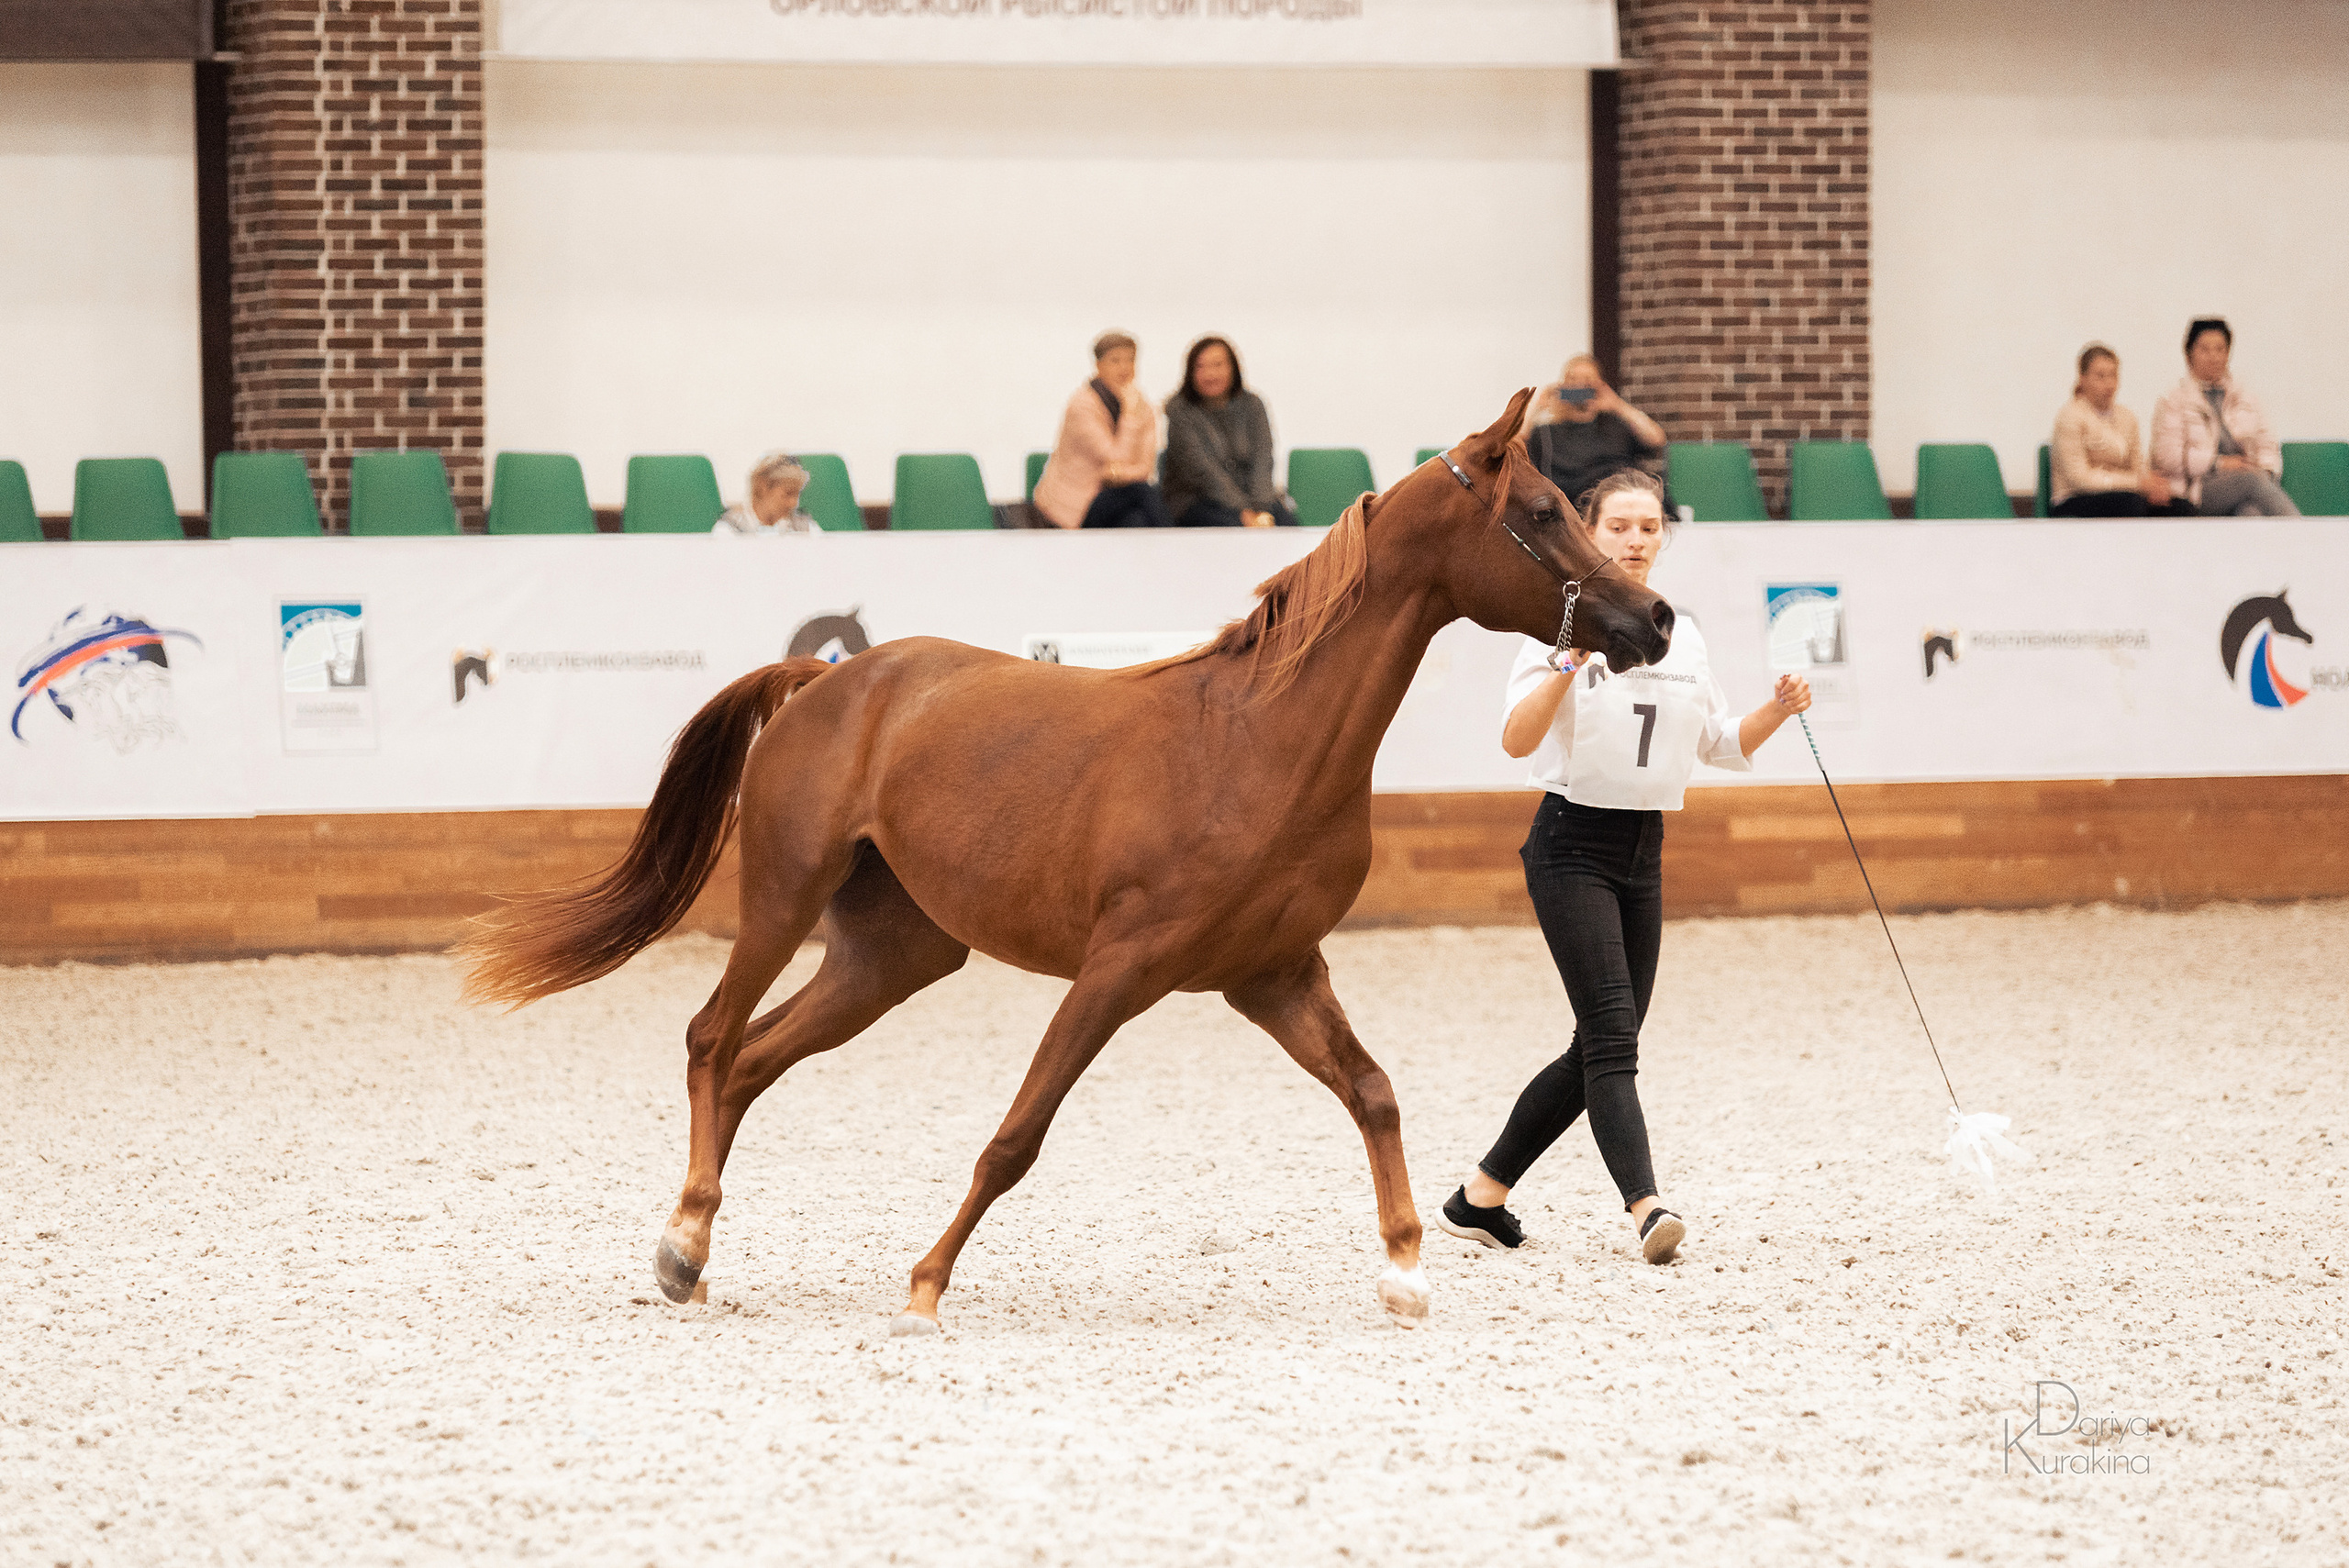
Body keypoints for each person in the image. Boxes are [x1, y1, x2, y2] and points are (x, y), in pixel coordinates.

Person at [1438, 469, 1812, 1269]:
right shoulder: (1552, 626)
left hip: (1645, 849)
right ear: (1590, 531)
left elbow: (1719, 742)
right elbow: (1515, 739)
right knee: (1614, 1040)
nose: (1636, 540)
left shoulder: (1684, 631)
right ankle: (1647, 1207)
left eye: (1648, 527)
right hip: (1570, 843)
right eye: (1619, 527)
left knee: (1600, 1044)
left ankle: (1480, 1196)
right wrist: (1566, 665)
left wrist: (1777, 710)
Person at [2150, 318, 2299, 517]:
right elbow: (2167, 456)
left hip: (2247, 483)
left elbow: (2267, 445)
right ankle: (2305, 534)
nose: (2213, 356)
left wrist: (2265, 472)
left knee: (2250, 512)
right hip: (2196, 490)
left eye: (2220, 349)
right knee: (2250, 481)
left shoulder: (2245, 397)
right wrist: (2219, 463)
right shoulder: (2174, 400)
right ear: (2189, 355)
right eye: (2205, 349)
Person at [1034, 332, 1167, 530]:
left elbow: (1145, 467)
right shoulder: (1082, 405)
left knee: (1137, 522)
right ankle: (1174, 544)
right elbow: (1115, 455)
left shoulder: (1143, 407)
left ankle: (1168, 547)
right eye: (1115, 361)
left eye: (1130, 360)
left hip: (1121, 498)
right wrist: (1129, 415)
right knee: (1142, 492)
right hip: (1078, 505)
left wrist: (1116, 475)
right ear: (1098, 365)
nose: (1124, 368)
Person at [1161, 336, 1296, 528]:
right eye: (1200, 367)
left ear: (1233, 368)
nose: (1210, 374)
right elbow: (1203, 472)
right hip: (1198, 501)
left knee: (1286, 523)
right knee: (1233, 527)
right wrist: (1243, 510)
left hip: (1253, 498)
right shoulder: (1179, 410)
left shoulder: (1253, 405)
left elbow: (1263, 459)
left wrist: (1260, 506)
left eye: (1217, 365)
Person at [2050, 344, 2191, 517]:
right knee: (2131, 504)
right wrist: (2137, 483)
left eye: (2113, 375)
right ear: (2083, 378)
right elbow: (2080, 479)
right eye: (2100, 376)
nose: (2109, 384)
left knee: (2181, 507)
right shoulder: (2070, 416)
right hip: (2075, 498)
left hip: (2123, 494)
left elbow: (2138, 466)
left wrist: (2153, 486)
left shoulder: (2126, 417)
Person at [1526, 355, 1668, 510]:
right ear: (1562, 386)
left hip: (1619, 503)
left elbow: (1656, 440)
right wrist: (1536, 407)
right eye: (1573, 380)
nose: (1580, 385)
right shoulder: (1546, 434)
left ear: (1600, 385)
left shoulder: (1615, 425)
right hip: (1571, 508)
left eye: (1587, 380)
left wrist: (1618, 405)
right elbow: (1512, 445)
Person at [715, 452, 821, 534]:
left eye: (797, 494)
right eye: (788, 494)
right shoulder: (730, 528)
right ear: (763, 487)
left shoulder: (803, 527)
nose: (794, 503)